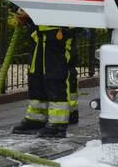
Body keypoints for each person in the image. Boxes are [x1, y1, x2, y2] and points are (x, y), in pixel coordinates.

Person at [11, 9, 77, 139]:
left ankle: (58, 124)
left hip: (59, 33)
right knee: (37, 76)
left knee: (56, 77)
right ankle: (36, 118)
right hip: (42, 33)